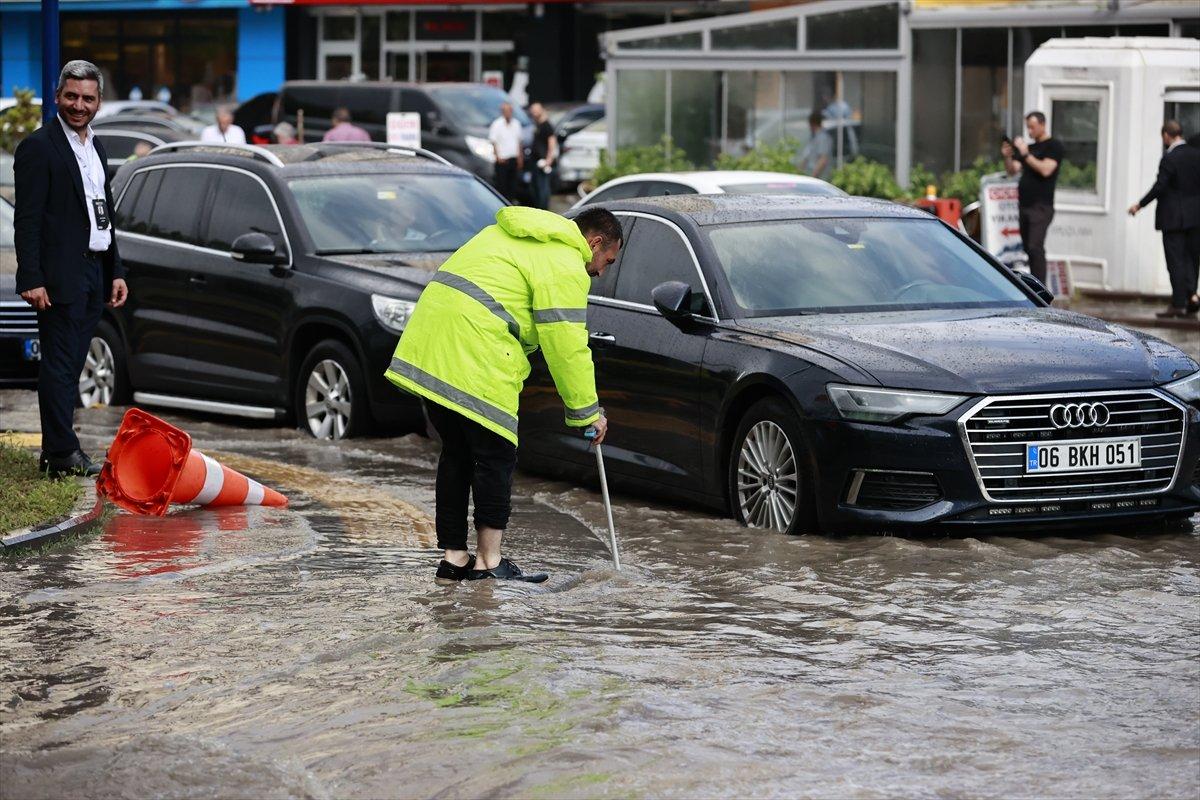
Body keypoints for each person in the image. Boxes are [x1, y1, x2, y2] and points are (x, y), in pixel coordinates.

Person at [384, 206, 622, 583]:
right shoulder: (564, 261)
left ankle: (454, 559)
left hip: (429, 347)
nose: (600, 271)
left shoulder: (506, 235)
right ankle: (490, 562)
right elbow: (567, 346)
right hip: (477, 350)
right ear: (594, 242)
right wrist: (588, 413)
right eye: (606, 260)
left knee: (457, 452)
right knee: (496, 454)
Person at [13, 60, 128, 478]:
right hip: (59, 276)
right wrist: (31, 277)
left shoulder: (95, 146)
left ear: (99, 102)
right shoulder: (39, 147)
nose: (79, 105)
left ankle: (56, 450)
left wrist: (115, 269)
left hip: (94, 273)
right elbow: (26, 219)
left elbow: (104, 215)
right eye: (72, 96)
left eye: (88, 98)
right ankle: (62, 454)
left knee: (72, 365)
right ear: (59, 95)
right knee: (59, 367)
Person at [1129, 120, 1200, 318]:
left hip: (1174, 218)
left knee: (1175, 261)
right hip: (1195, 218)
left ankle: (1178, 304)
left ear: (1166, 135)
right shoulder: (1196, 155)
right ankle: (1191, 296)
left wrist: (1139, 204)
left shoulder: (1169, 158)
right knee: (1192, 259)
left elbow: (1160, 187)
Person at [1001, 110, 1065, 285]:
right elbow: (1013, 170)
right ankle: (1034, 285)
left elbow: (1046, 169)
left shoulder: (1053, 146)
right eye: (1028, 127)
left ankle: (1040, 289)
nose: (1029, 131)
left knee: (1036, 247)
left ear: (1043, 125)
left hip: (1041, 206)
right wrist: (1008, 156)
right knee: (1029, 247)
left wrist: (1026, 154)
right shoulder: (1028, 148)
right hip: (1024, 205)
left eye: (1033, 127)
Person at [488, 102, 524, 202]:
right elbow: (493, 141)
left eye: (509, 111)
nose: (507, 113)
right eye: (505, 111)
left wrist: (520, 158)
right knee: (501, 186)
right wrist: (497, 157)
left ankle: (510, 203)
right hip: (502, 160)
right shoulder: (497, 124)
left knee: (512, 186)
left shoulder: (516, 123)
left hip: (513, 159)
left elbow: (519, 142)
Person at [528, 102, 558, 210]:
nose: (534, 113)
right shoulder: (537, 124)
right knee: (536, 188)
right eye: (532, 111)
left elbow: (552, 144)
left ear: (541, 110)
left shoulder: (546, 125)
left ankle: (544, 210)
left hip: (543, 163)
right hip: (536, 162)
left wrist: (548, 161)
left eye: (536, 110)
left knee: (543, 189)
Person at [798, 111, 833, 180]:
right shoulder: (813, 137)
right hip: (811, 176)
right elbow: (807, 157)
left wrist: (813, 177)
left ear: (812, 123)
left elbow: (823, 159)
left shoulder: (823, 138)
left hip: (820, 179)